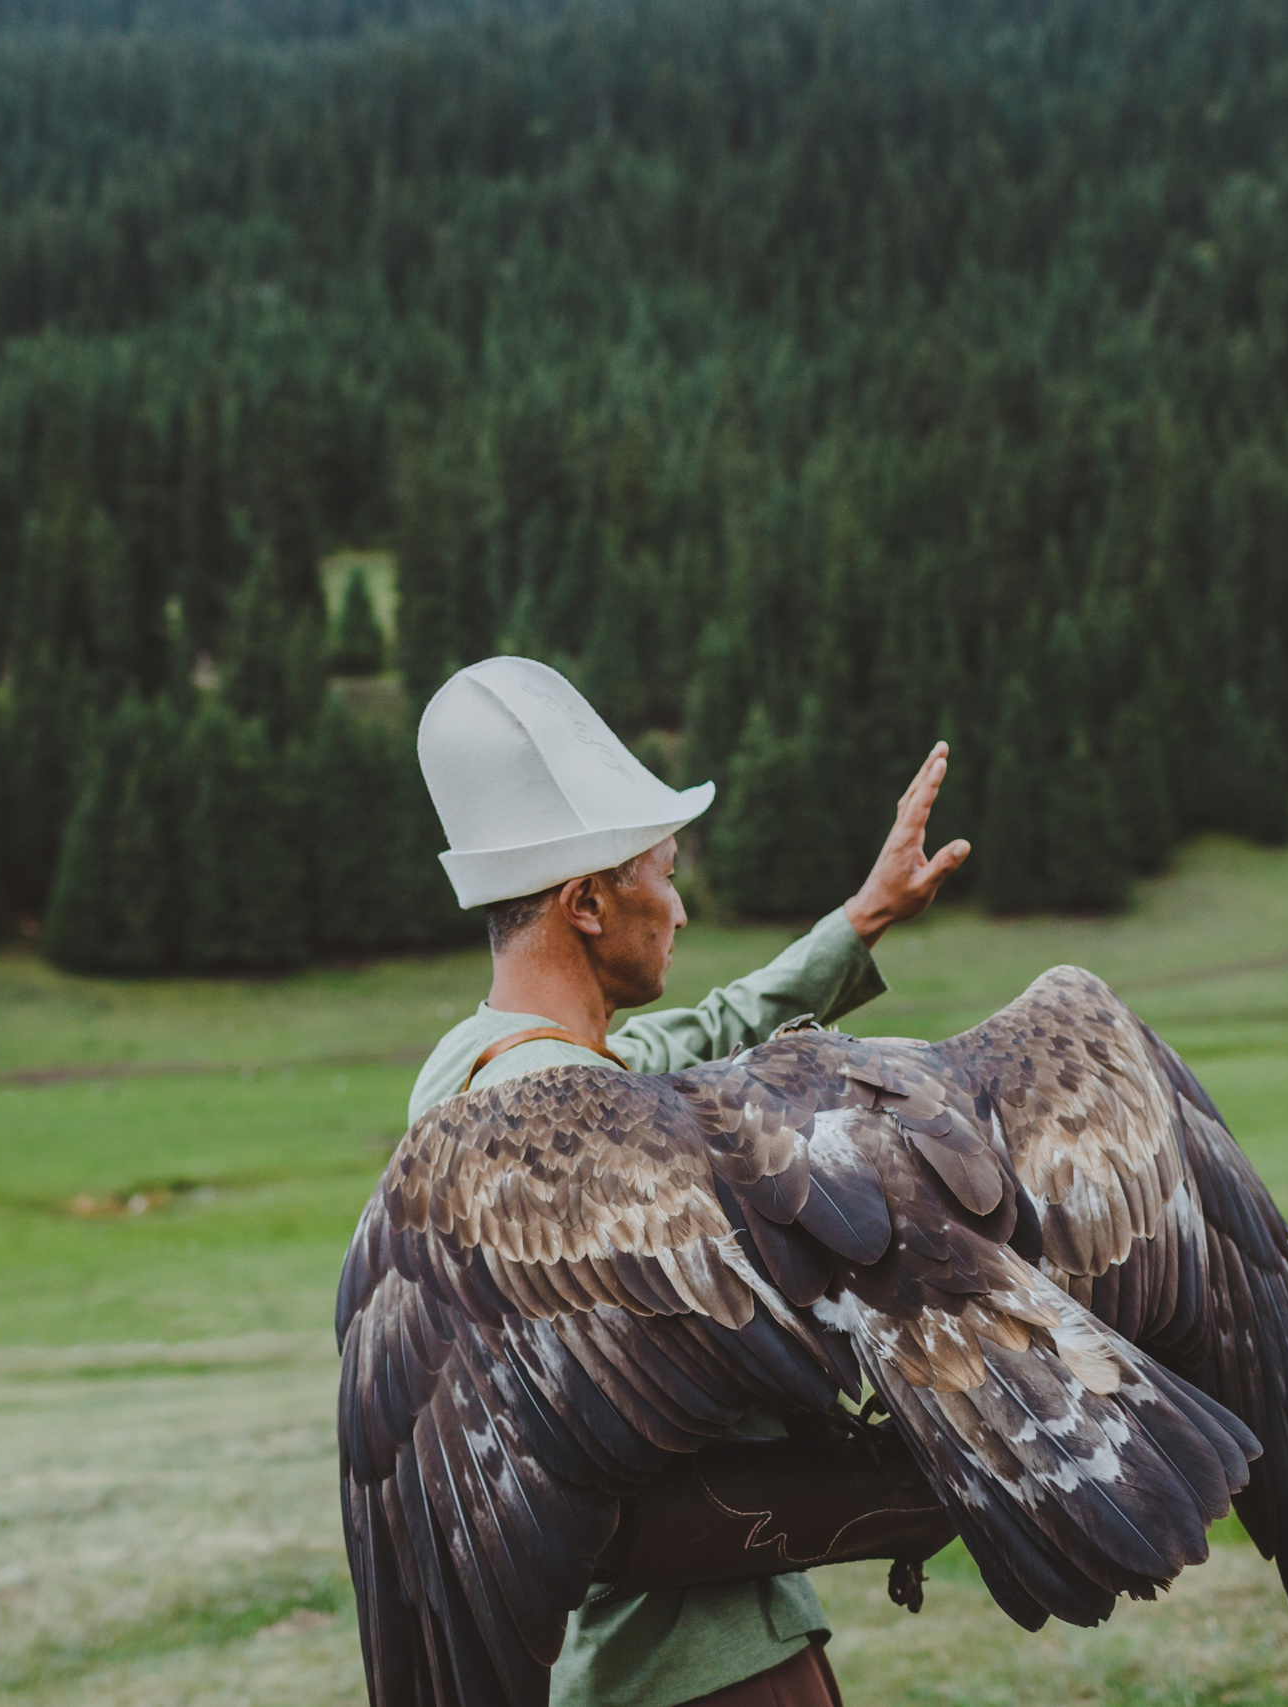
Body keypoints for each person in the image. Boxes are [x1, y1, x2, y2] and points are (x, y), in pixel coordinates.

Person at [410, 656, 971, 1707]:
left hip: (629, 1651)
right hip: (698, 1656)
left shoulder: (486, 1073)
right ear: (586, 902)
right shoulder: (570, 1112)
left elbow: (703, 1032)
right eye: (663, 876)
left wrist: (863, 917)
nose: (678, 909)